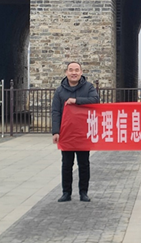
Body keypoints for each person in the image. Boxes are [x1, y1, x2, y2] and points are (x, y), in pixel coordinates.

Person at [52, 61, 99, 202]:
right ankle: (66, 192)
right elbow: (56, 112)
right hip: (66, 133)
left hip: (83, 132)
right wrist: (55, 131)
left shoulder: (88, 87)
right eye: (71, 70)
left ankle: (83, 192)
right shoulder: (60, 91)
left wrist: (76, 100)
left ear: (81, 72)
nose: (74, 73)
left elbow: (95, 100)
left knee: (83, 164)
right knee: (66, 164)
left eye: (76, 70)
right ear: (66, 72)